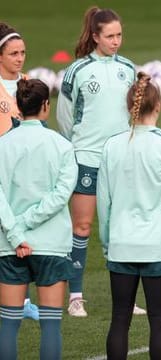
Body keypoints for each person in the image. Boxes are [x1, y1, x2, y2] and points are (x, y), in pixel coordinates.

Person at [56, 6, 145, 317]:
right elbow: (65, 119)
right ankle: (75, 296)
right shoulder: (77, 71)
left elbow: (135, 113)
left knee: (121, 227)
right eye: (110, 36)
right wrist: (78, 148)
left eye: (119, 35)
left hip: (121, 160)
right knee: (82, 226)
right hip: (87, 159)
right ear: (95, 37)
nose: (116, 41)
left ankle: (127, 299)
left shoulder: (129, 69)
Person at [96, 72, 161, 360]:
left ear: (129, 108)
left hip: (122, 245)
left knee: (119, 320)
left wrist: (107, 243)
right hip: (158, 247)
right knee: (159, 322)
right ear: (158, 105)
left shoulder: (111, 146)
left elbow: (104, 202)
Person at [0, 78, 78, 360]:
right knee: (50, 326)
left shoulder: (2, 145)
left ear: (18, 107)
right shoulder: (62, 146)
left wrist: (16, 232)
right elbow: (60, 196)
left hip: (9, 246)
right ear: (46, 106)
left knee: (8, 325)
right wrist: (28, 223)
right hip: (51, 244)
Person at [0, 21, 41, 321]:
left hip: (26, 171)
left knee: (22, 234)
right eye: (13, 53)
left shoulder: (28, 83)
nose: (19, 58)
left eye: (23, 52)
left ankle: (22, 299)